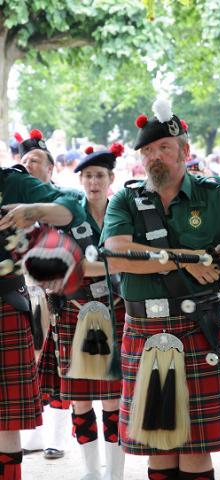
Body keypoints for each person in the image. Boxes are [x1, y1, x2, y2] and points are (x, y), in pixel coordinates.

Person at [101, 98, 220, 480]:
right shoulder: (127, 199)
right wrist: (186, 257)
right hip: (144, 332)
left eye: (164, 148)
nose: (155, 157)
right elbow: (117, 254)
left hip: (197, 330)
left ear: (185, 151)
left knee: (194, 449)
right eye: (148, 151)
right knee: (158, 449)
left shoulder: (215, 197)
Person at [0, 130, 85, 479]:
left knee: (5, 420)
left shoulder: (13, 183)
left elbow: (73, 206)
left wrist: (34, 209)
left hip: (3, 303)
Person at [38, 143, 126, 480]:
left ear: (110, 178)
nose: (93, 182)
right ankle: (91, 471)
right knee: (80, 399)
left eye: (99, 175)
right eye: (87, 176)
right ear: (82, 180)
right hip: (75, 310)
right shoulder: (69, 213)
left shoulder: (124, 213)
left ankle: (114, 472)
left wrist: (86, 266)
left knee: (113, 398)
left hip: (115, 309)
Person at [19, 132, 74, 460]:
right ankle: (35, 434)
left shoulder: (65, 201)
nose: (27, 165)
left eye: (35, 161)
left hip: (60, 297)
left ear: (51, 168)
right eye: (23, 161)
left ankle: (57, 437)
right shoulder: (12, 203)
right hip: (25, 296)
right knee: (30, 368)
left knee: (59, 368)